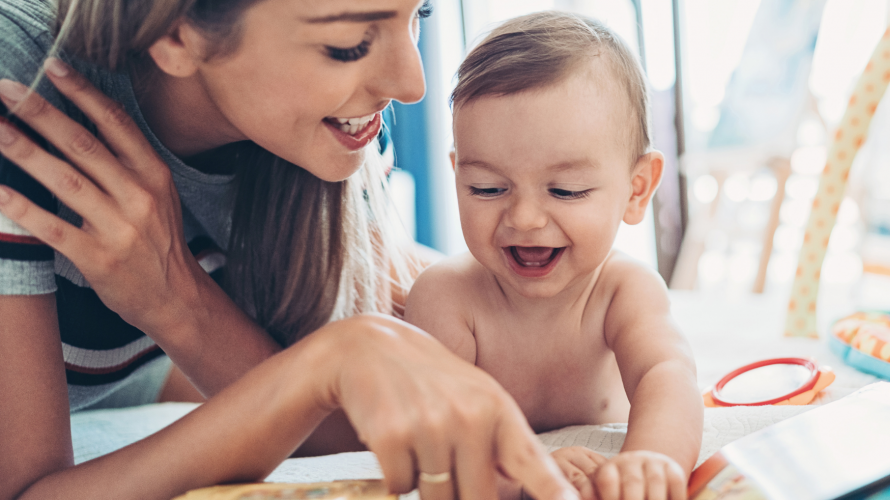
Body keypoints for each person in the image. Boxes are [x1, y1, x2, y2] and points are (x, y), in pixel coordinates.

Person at [0, 1, 579, 499]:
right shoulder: (18, 98)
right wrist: (329, 359)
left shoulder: (323, 126)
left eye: (418, 13)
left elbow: (359, 410)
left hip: (138, 374)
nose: (412, 83)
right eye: (349, 44)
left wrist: (178, 302)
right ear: (175, 34)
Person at [404, 12, 703, 500]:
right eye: (487, 187)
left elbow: (667, 377)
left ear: (636, 189)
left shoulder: (624, 291)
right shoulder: (447, 299)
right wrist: (521, 473)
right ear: (458, 175)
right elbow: (434, 444)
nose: (523, 218)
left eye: (565, 191)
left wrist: (649, 462)